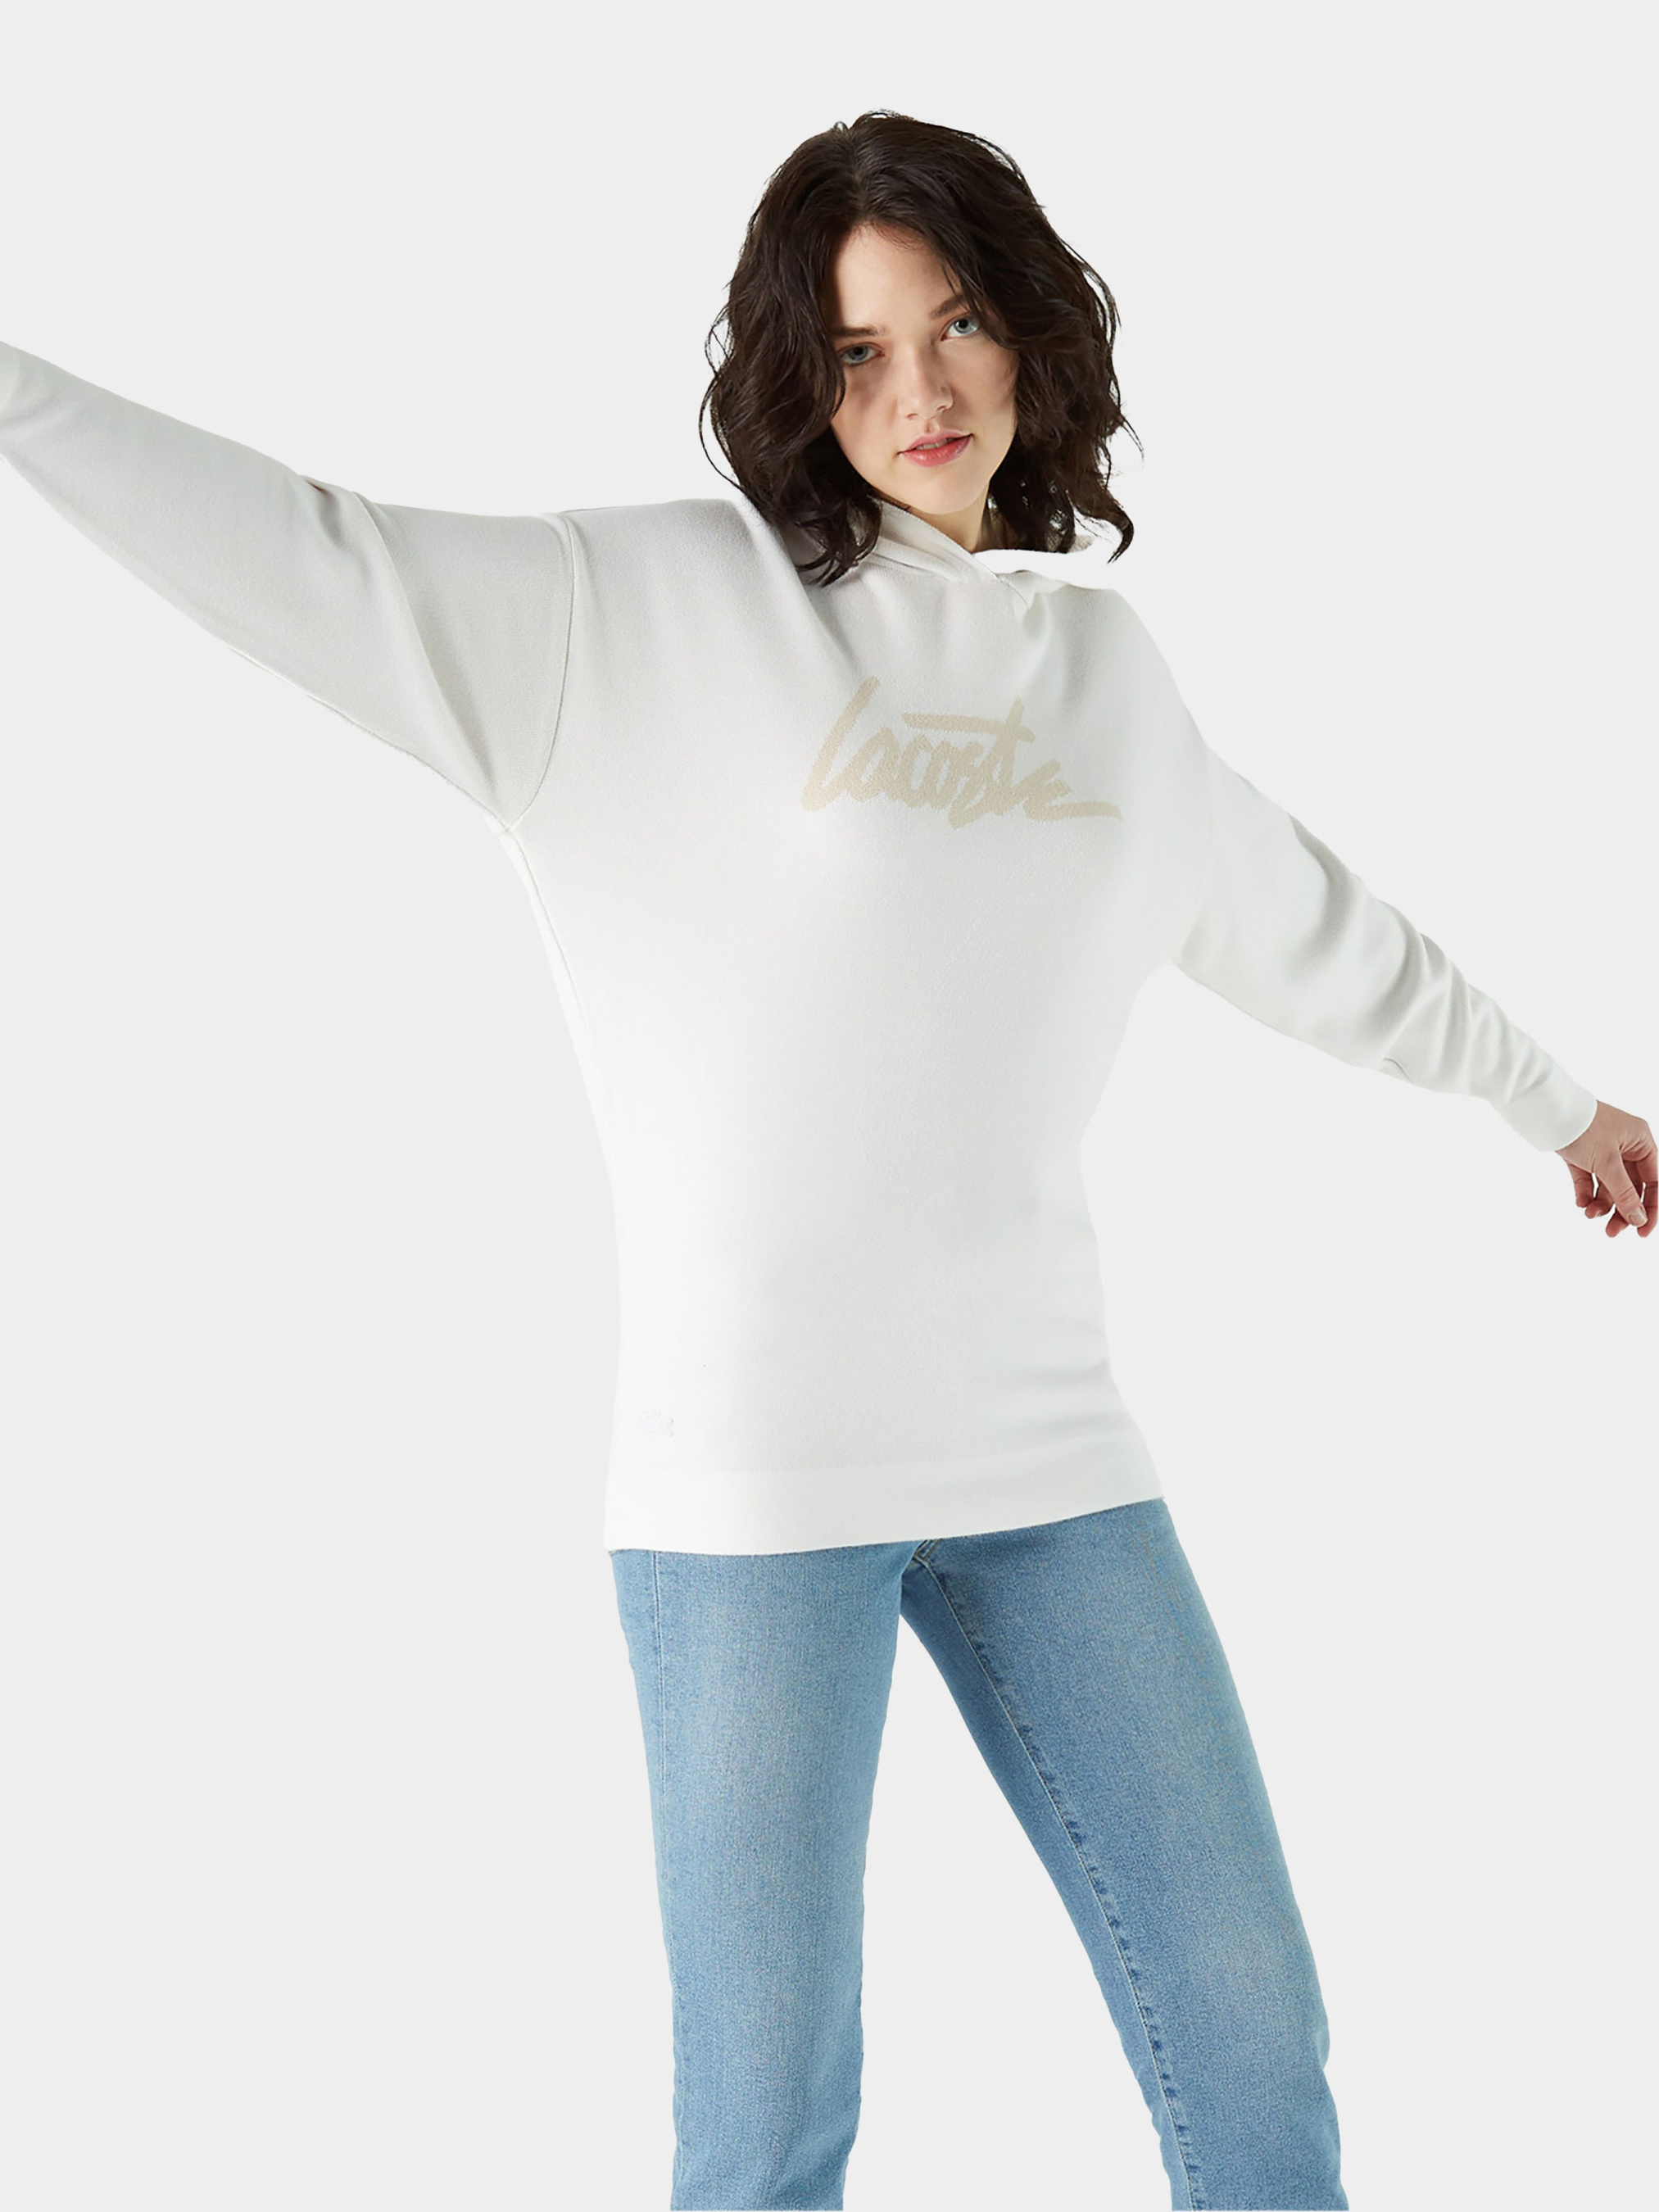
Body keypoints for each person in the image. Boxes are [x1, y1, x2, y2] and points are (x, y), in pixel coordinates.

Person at [2, 106, 1650, 2212]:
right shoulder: (630, 611)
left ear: (1031, 331)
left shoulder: (1095, 671)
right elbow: (303, 542)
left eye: (954, 323)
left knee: (1254, 2061)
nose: (919, 390)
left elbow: (1311, 924)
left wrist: (1557, 1103)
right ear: (795, 376)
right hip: (754, 1495)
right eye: (856, 350)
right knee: (766, 2139)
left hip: (1053, 1463)